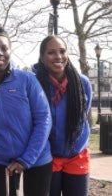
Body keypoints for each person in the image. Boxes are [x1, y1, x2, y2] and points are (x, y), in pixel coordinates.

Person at [0, 26, 52, 196]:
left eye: (4, 48)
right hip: (1, 165)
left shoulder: (27, 80)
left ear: (10, 51)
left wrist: (25, 160)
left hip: (36, 163)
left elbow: (44, 120)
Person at [34, 35, 92, 196]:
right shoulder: (34, 83)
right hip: (48, 156)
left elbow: (84, 113)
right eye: (51, 52)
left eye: (62, 51)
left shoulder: (82, 83)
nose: (58, 56)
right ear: (42, 57)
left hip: (76, 154)